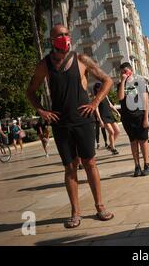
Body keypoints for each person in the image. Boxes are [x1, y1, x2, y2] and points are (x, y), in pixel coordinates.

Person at [26, 24, 114, 229]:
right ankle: (75, 212)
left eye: (66, 34)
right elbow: (30, 91)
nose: (64, 37)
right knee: (70, 167)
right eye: (60, 35)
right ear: (51, 39)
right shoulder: (45, 65)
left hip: (83, 119)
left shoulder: (81, 59)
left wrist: (95, 102)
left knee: (90, 163)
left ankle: (100, 206)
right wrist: (41, 111)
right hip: (60, 123)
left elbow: (107, 80)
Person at [118, 62, 149, 177]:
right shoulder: (121, 84)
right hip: (127, 118)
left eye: (125, 71)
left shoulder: (140, 82)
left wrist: (146, 118)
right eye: (121, 72)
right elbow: (121, 97)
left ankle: (147, 165)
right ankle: (137, 166)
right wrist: (123, 81)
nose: (123, 74)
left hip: (140, 116)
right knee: (133, 142)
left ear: (130, 71)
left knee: (143, 141)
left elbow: (145, 101)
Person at [93, 82, 120, 155]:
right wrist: (100, 120)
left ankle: (110, 145)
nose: (99, 89)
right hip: (104, 117)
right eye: (98, 88)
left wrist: (117, 111)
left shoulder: (105, 95)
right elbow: (96, 110)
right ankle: (113, 148)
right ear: (96, 89)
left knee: (117, 131)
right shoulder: (96, 98)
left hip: (110, 115)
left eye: (100, 87)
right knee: (111, 132)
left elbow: (110, 104)